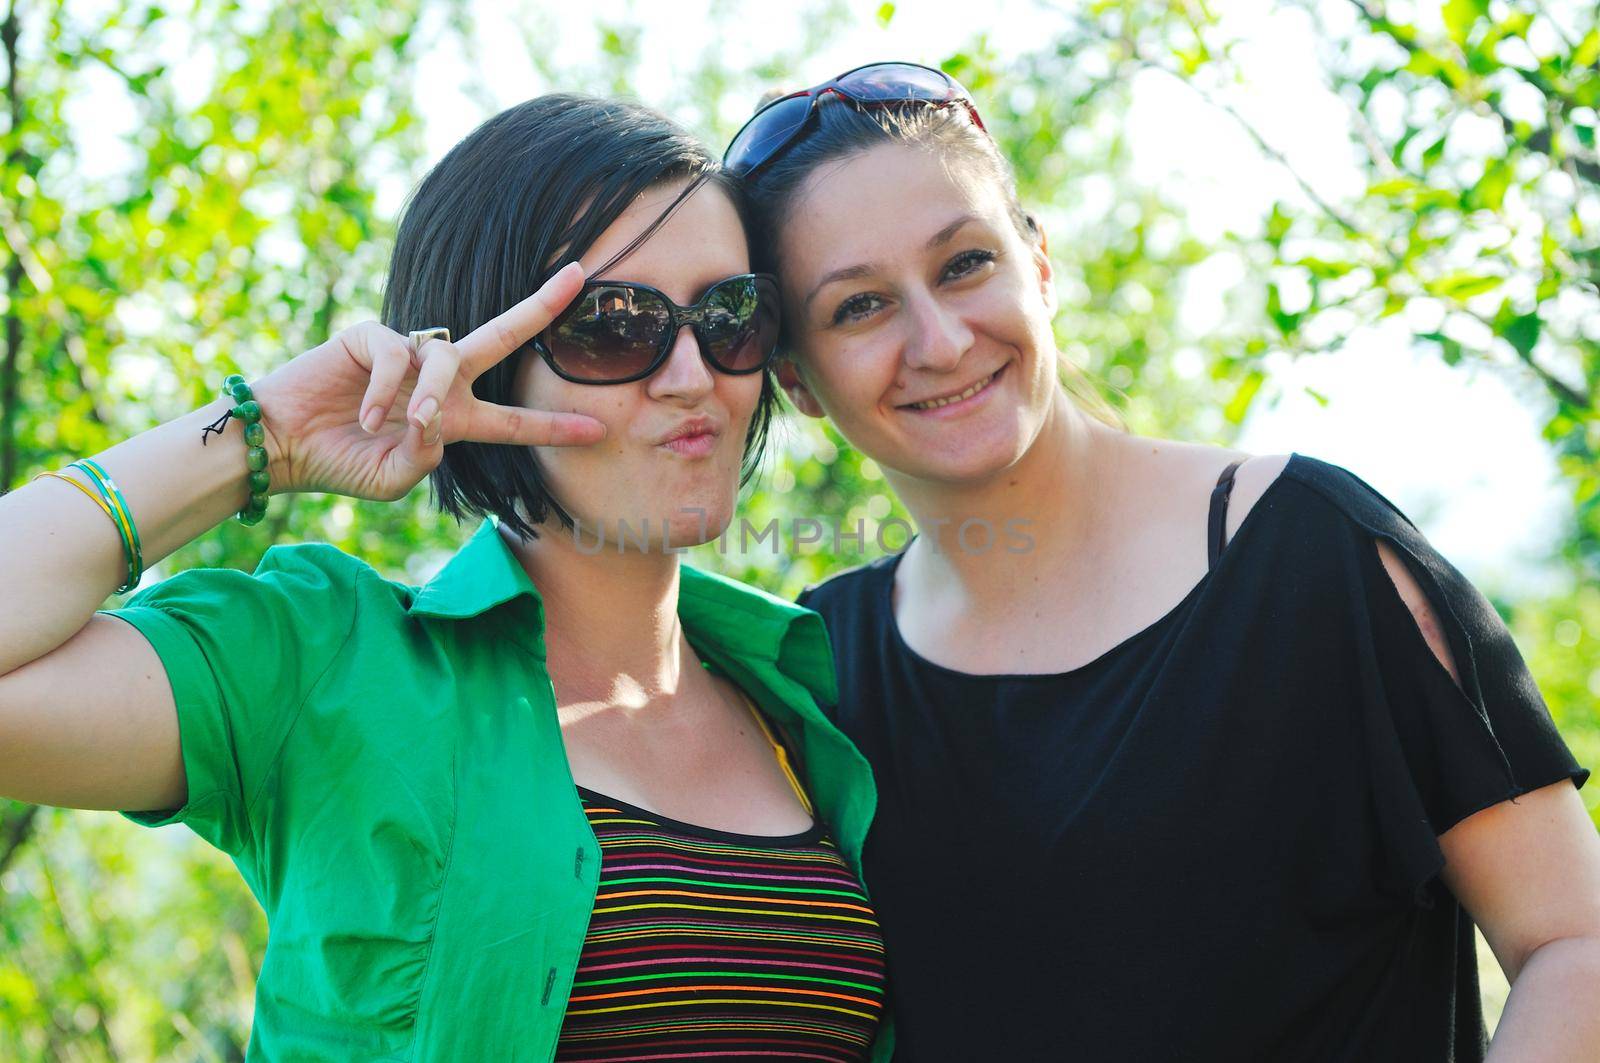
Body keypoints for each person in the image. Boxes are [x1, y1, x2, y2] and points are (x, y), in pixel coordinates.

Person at [727, 62, 1600, 1061]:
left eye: (965, 263)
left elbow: (1574, 943)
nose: (939, 338)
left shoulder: (1317, 555)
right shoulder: (819, 672)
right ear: (794, 379)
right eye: (859, 307)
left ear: (1037, 260)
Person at [0, 94, 891, 1062]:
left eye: (729, 316)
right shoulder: (325, 661)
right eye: (613, 324)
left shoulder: (815, 693)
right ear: (479, 354)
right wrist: (267, 436)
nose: (691, 375)